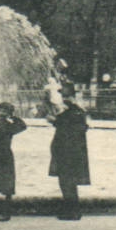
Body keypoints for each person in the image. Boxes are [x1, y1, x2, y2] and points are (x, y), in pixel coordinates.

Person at [48, 86, 90, 220]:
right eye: (63, 96)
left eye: (66, 96)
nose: (64, 99)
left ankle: (73, 212)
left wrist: (54, 120)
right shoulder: (73, 112)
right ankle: (71, 210)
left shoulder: (74, 112)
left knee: (67, 182)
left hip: (69, 154)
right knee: (67, 183)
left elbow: (70, 129)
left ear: (72, 97)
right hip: (68, 153)